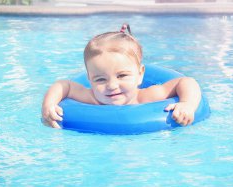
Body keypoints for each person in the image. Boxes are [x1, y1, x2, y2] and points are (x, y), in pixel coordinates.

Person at [42, 24, 201, 129]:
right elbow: (63, 85)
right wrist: (49, 105)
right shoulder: (92, 98)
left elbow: (186, 82)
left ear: (140, 75)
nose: (111, 85)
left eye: (122, 75)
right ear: (89, 79)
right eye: (100, 79)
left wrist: (187, 104)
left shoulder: (147, 96)